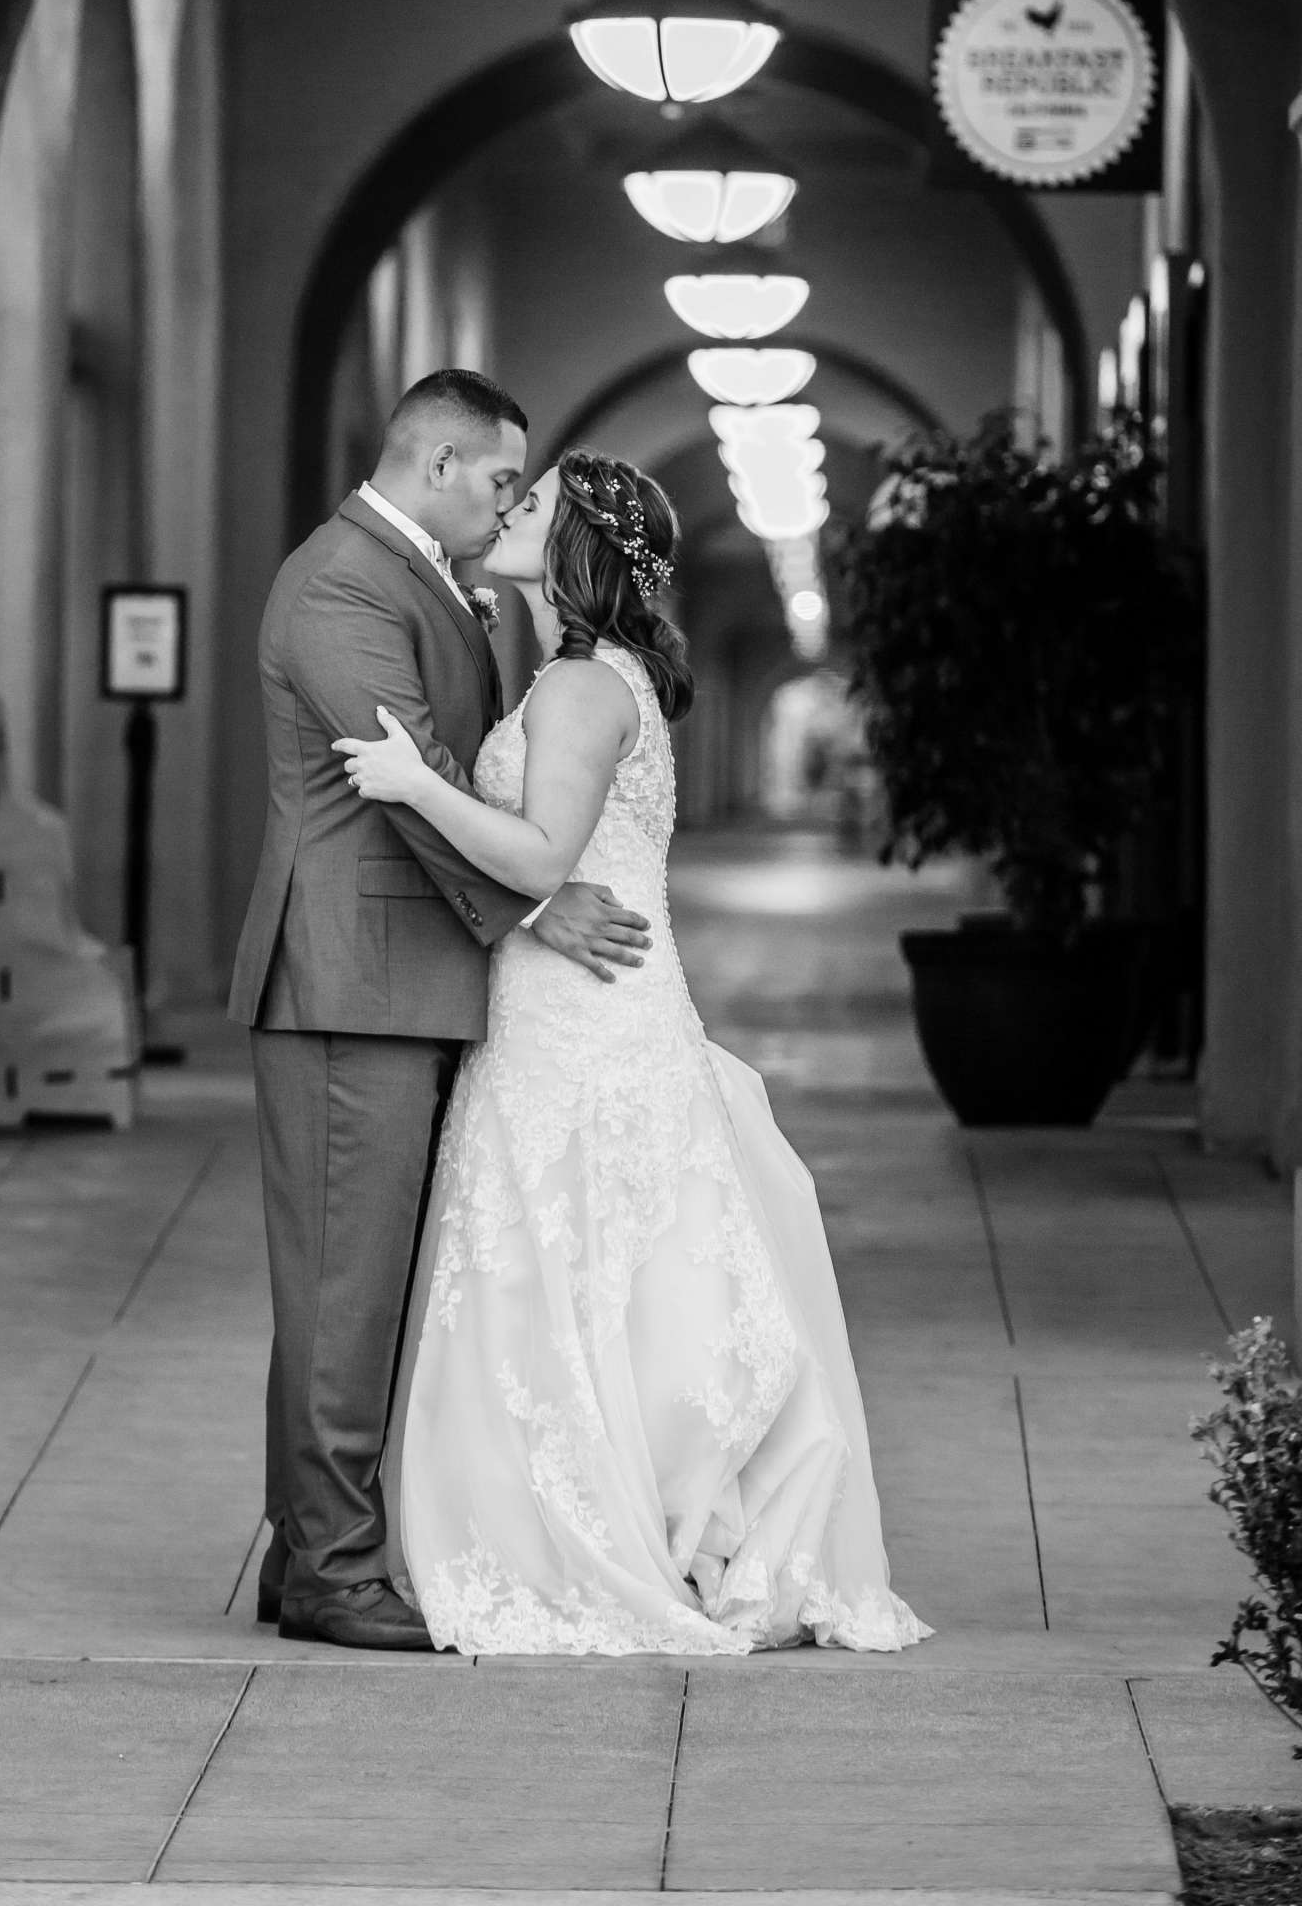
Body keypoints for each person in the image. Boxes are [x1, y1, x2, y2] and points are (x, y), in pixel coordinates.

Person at [335, 450, 931, 1654]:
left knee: (568, 1255)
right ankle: (636, 1512)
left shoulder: (576, 689)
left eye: (534, 501)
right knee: (603, 1258)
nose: (509, 507)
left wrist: (412, 783)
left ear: (573, 550)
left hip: (580, 1010)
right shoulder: (596, 675)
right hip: (594, 998)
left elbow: (543, 859)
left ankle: (591, 1529)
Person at [228, 374, 653, 1651]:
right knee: (343, 1285)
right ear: (441, 462)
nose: (510, 499)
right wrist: (536, 904)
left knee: (351, 1285)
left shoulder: (422, 580)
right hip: (348, 974)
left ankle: (306, 1545)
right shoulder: (344, 582)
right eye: (498, 477)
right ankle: (333, 1574)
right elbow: (400, 783)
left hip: (400, 973)